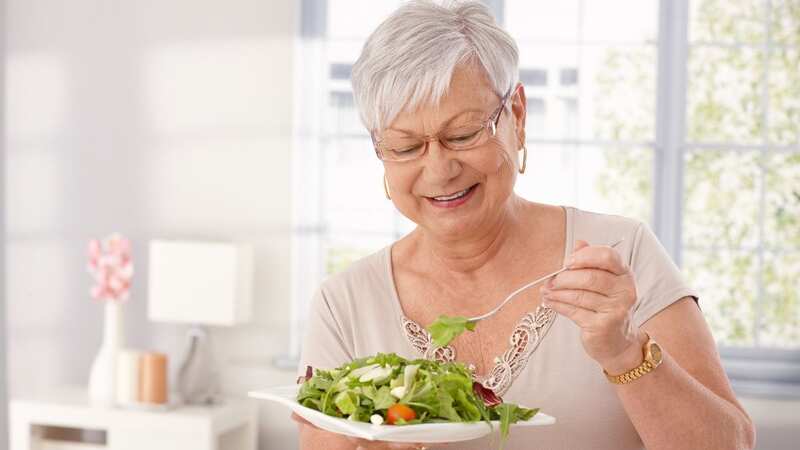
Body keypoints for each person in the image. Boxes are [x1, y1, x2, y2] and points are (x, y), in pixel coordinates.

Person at [295, 1, 756, 449]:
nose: (438, 171)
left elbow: (730, 444)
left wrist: (624, 351)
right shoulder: (344, 304)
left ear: (516, 114)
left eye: (463, 134)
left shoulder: (622, 253)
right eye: (405, 146)